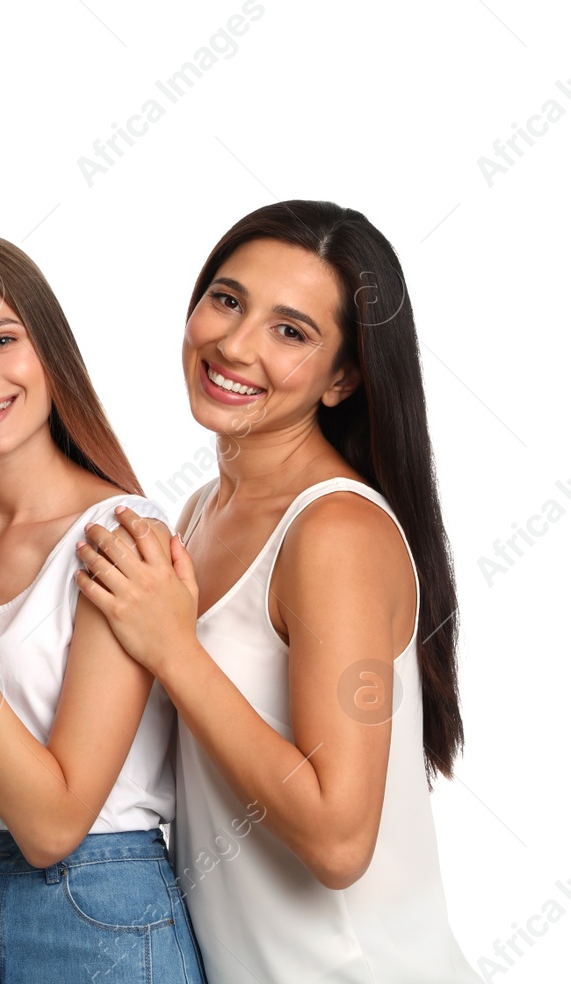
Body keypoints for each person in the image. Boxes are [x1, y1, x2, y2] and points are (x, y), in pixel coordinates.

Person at [73, 200, 478, 982]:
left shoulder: (333, 533)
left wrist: (173, 649)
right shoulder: (199, 514)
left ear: (343, 379)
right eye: (227, 300)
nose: (233, 343)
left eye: (290, 331)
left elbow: (337, 842)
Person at [0, 233, 205, 982]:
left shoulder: (124, 537)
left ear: (49, 350)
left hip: (97, 912)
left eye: (1, 339)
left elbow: (53, 824)